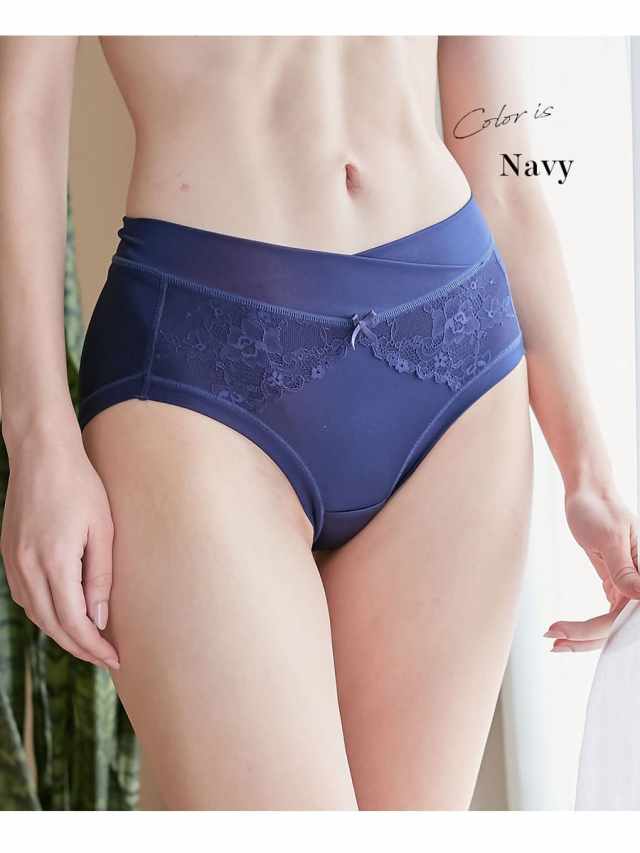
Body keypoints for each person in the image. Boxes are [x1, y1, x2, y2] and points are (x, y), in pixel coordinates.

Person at [0, 35, 637, 811]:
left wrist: (588, 467)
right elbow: (22, 109)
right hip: (198, 371)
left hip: (459, 364)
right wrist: (37, 437)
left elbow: (505, 165)